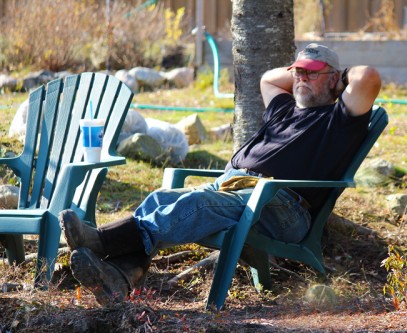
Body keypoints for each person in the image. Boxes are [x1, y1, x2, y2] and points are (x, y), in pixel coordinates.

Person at [60, 43, 381, 305]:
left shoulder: (339, 120)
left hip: (281, 205)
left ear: (335, 79)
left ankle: (102, 241)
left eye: (311, 74)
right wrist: (306, 71)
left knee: (198, 203)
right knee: (160, 198)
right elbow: (268, 79)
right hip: (235, 188)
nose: (300, 79)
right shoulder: (285, 109)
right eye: (297, 72)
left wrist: (336, 81)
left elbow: (368, 77)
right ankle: (121, 276)